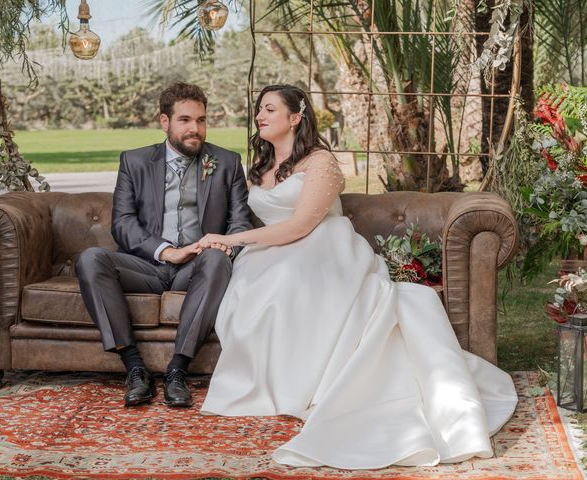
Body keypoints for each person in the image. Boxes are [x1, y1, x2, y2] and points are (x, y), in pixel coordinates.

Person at [197, 84, 518, 469]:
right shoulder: (261, 165)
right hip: (268, 250)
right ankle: (275, 388)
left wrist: (231, 240)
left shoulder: (320, 162)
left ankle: (314, 386)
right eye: (259, 109)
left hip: (320, 245)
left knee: (285, 284)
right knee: (249, 290)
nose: (259, 116)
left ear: (295, 117)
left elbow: (299, 226)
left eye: (269, 109)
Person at [75, 83, 253, 409]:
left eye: (200, 120)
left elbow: (240, 223)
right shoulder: (135, 161)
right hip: (147, 266)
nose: (194, 129)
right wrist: (166, 251)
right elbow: (123, 222)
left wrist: (219, 246)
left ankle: (177, 370)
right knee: (90, 259)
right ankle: (135, 368)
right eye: (185, 120)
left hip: (198, 266)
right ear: (164, 121)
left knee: (216, 259)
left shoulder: (226, 162)